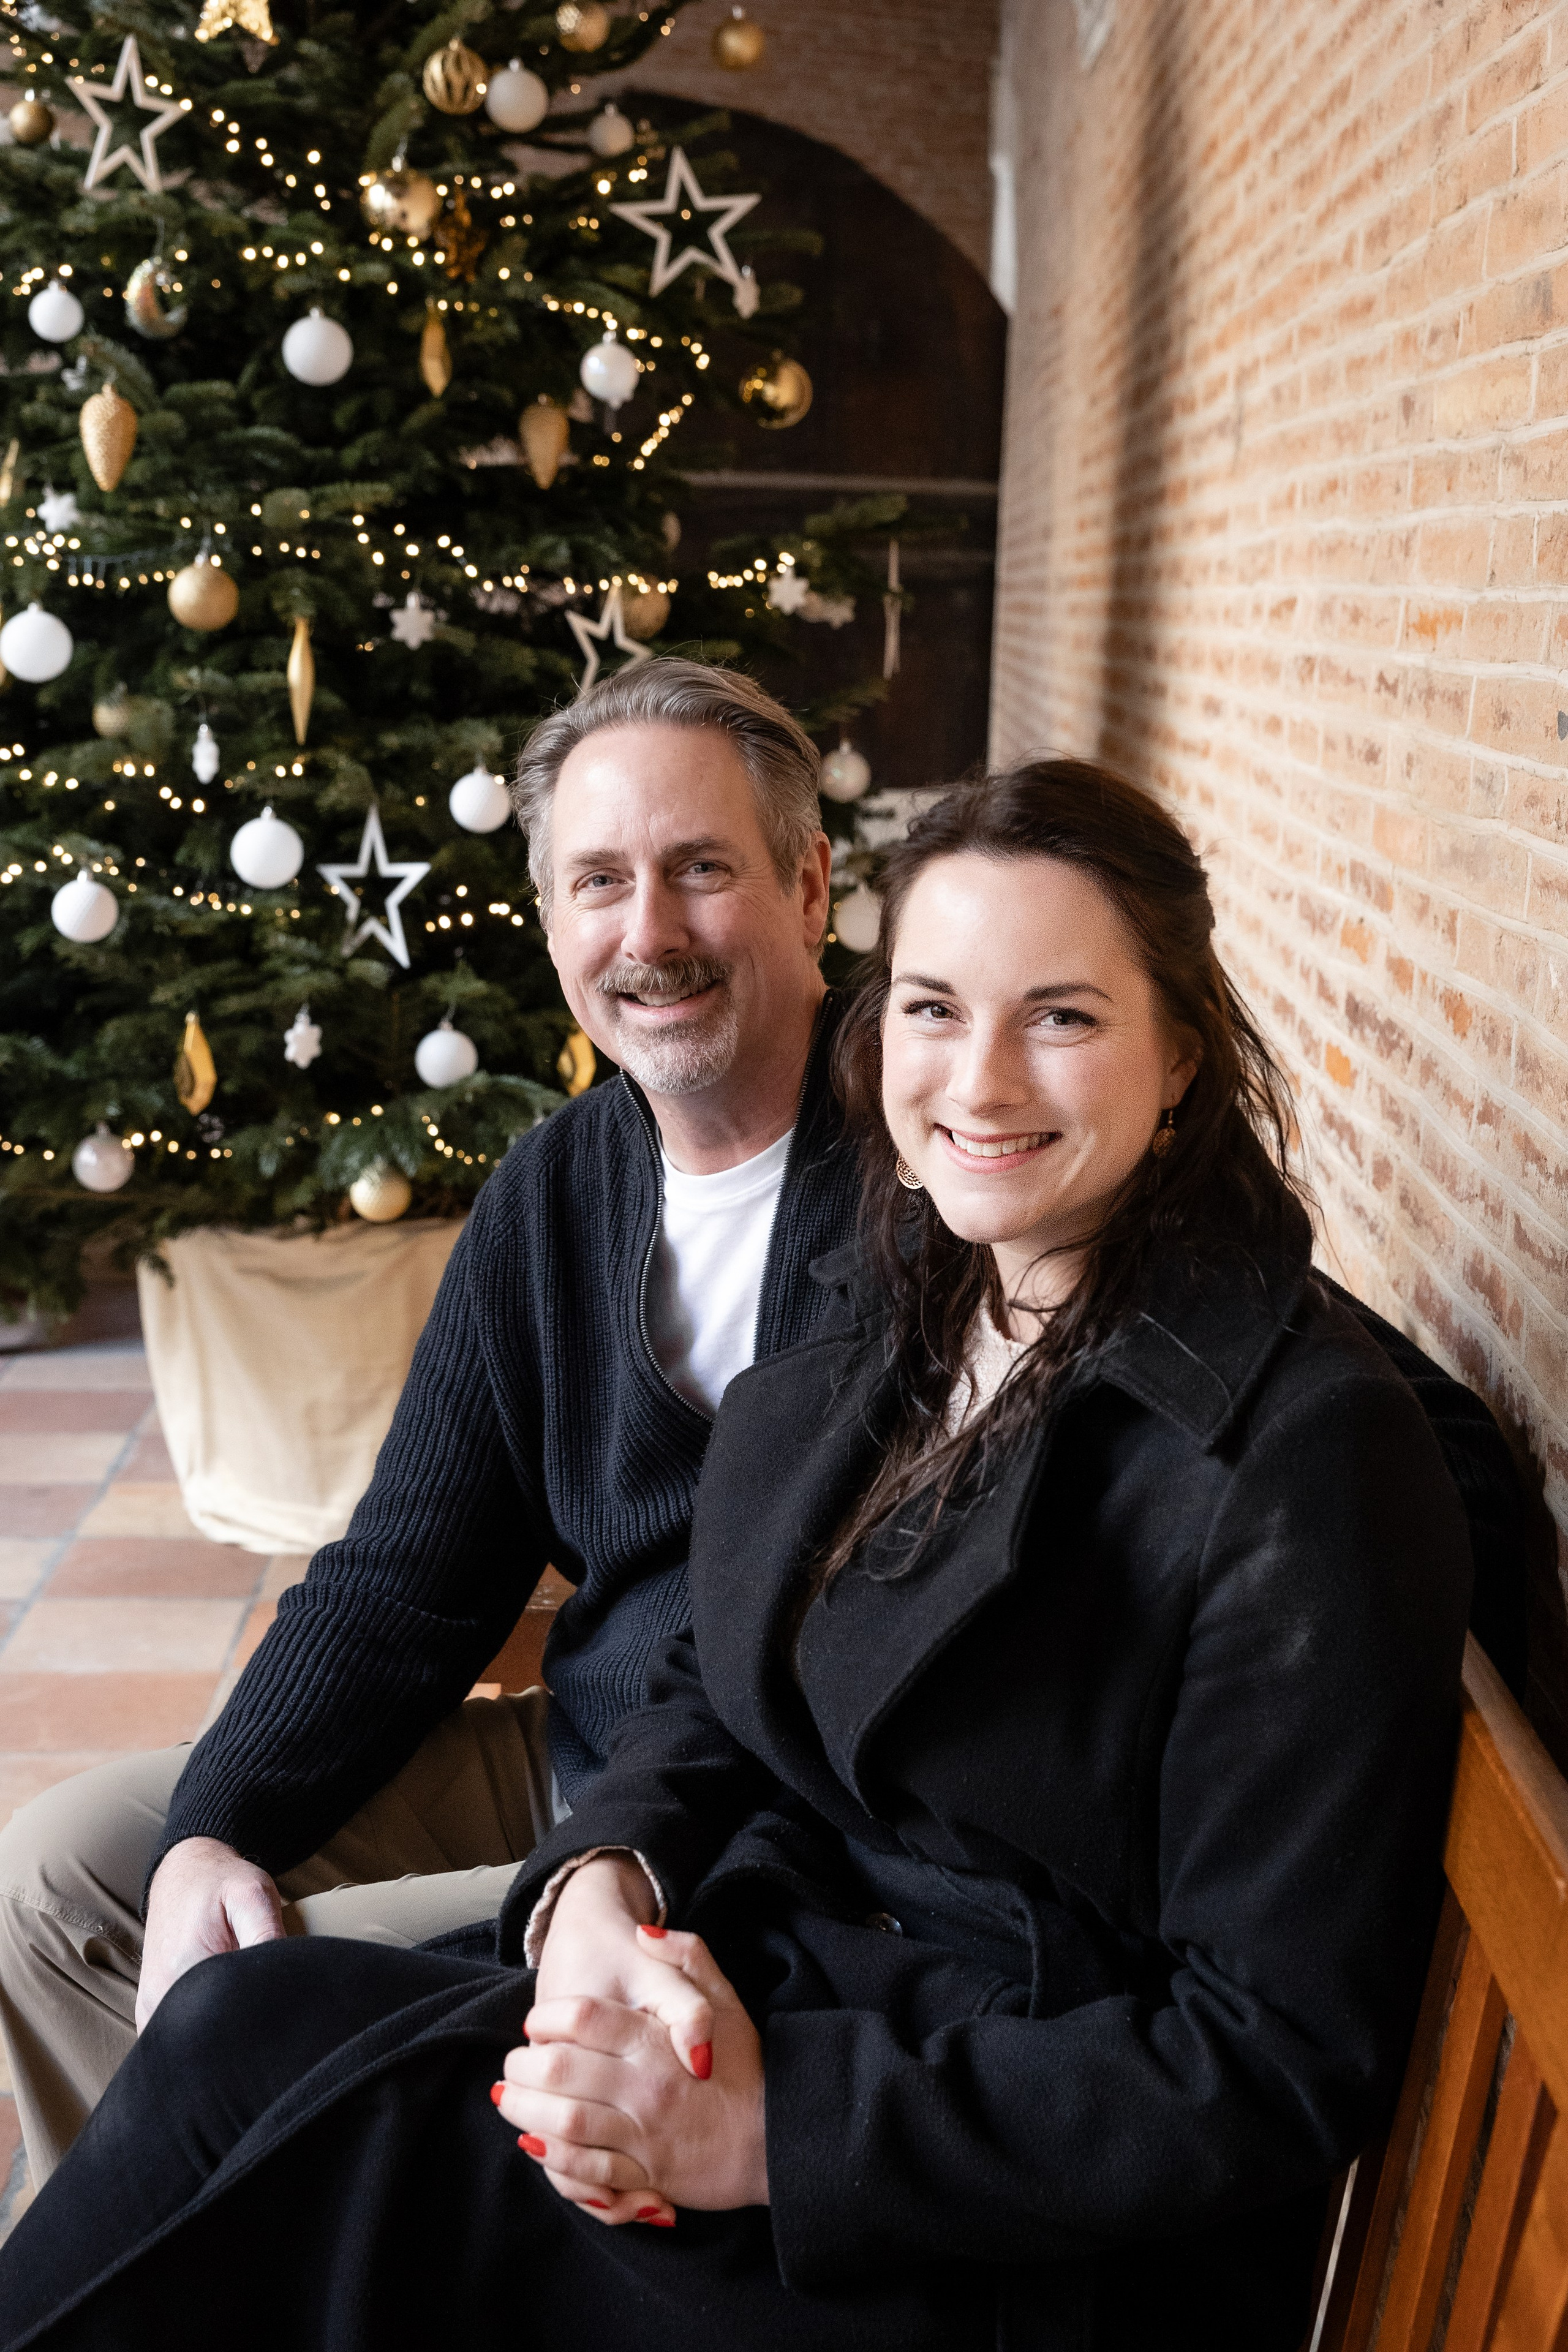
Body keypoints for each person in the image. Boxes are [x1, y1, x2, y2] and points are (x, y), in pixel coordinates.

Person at [0, 761, 1481, 2351]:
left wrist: (773, 2133)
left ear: (1180, 1050)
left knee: (329, 2159)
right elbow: (720, 1651)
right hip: (763, 1971)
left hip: (965, 2197)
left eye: (1060, 1016)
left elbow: (1269, 2057)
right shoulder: (925, 1281)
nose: (977, 1077)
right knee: (250, 2024)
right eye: (933, 1008)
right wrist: (596, 1882)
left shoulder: (1300, 1448)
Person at [0, 658, 859, 2185]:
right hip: (577, 1747)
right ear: (548, 926)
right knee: (59, 1880)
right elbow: (408, 1571)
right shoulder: (556, 1190)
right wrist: (221, 1821)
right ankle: (172, 2254)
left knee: (257, 2001)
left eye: (700, 871)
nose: (646, 933)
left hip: (755, 1822)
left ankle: (232, 2247)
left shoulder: (933, 1161)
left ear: (808, 888)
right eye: (597, 881)